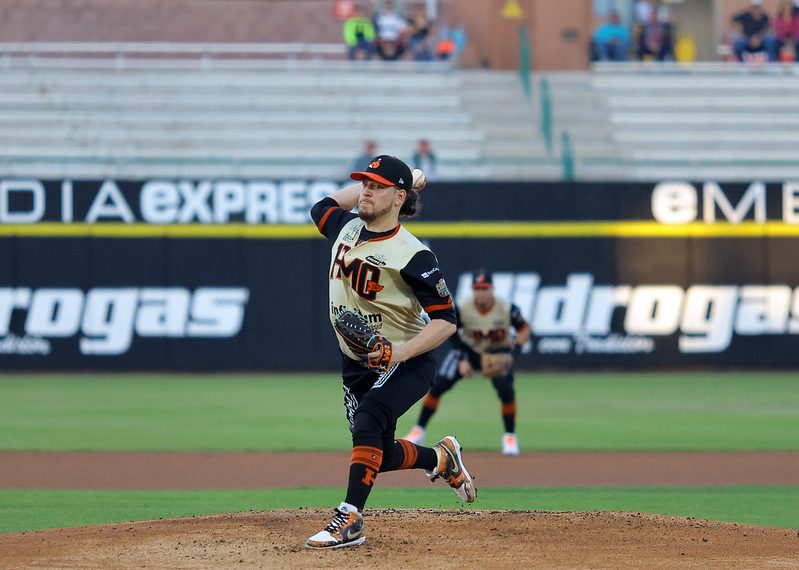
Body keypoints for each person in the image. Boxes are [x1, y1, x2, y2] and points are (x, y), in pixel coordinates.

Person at [306, 155, 477, 549]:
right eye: (364, 183)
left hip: (406, 360)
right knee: (375, 452)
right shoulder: (346, 229)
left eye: (377, 186)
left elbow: (446, 320)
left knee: (368, 419)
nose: (365, 191)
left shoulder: (413, 255)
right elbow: (323, 206)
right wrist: (398, 186)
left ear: (398, 197)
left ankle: (349, 518)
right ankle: (440, 460)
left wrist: (400, 353)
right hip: (356, 365)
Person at [405, 270, 531, 456]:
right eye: (477, 288)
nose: (481, 292)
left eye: (484, 288)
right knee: (439, 385)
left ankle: (510, 437)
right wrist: (462, 360)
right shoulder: (463, 307)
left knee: (506, 390)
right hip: (468, 351)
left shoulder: (506, 308)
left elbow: (524, 328)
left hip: (496, 352)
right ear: (473, 290)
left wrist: (514, 352)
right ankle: (418, 430)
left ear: (491, 289)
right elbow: (451, 330)